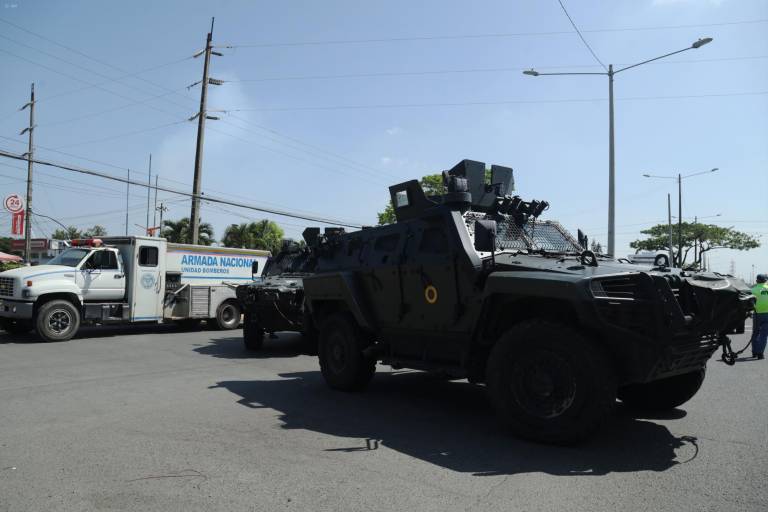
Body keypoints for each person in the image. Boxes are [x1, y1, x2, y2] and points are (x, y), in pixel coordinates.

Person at [751, 274, 768, 360]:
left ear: (757, 281)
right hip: (767, 314)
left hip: (757, 313)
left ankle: (754, 352)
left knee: (755, 333)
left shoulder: (753, 289)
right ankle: (760, 353)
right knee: (764, 334)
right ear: (765, 280)